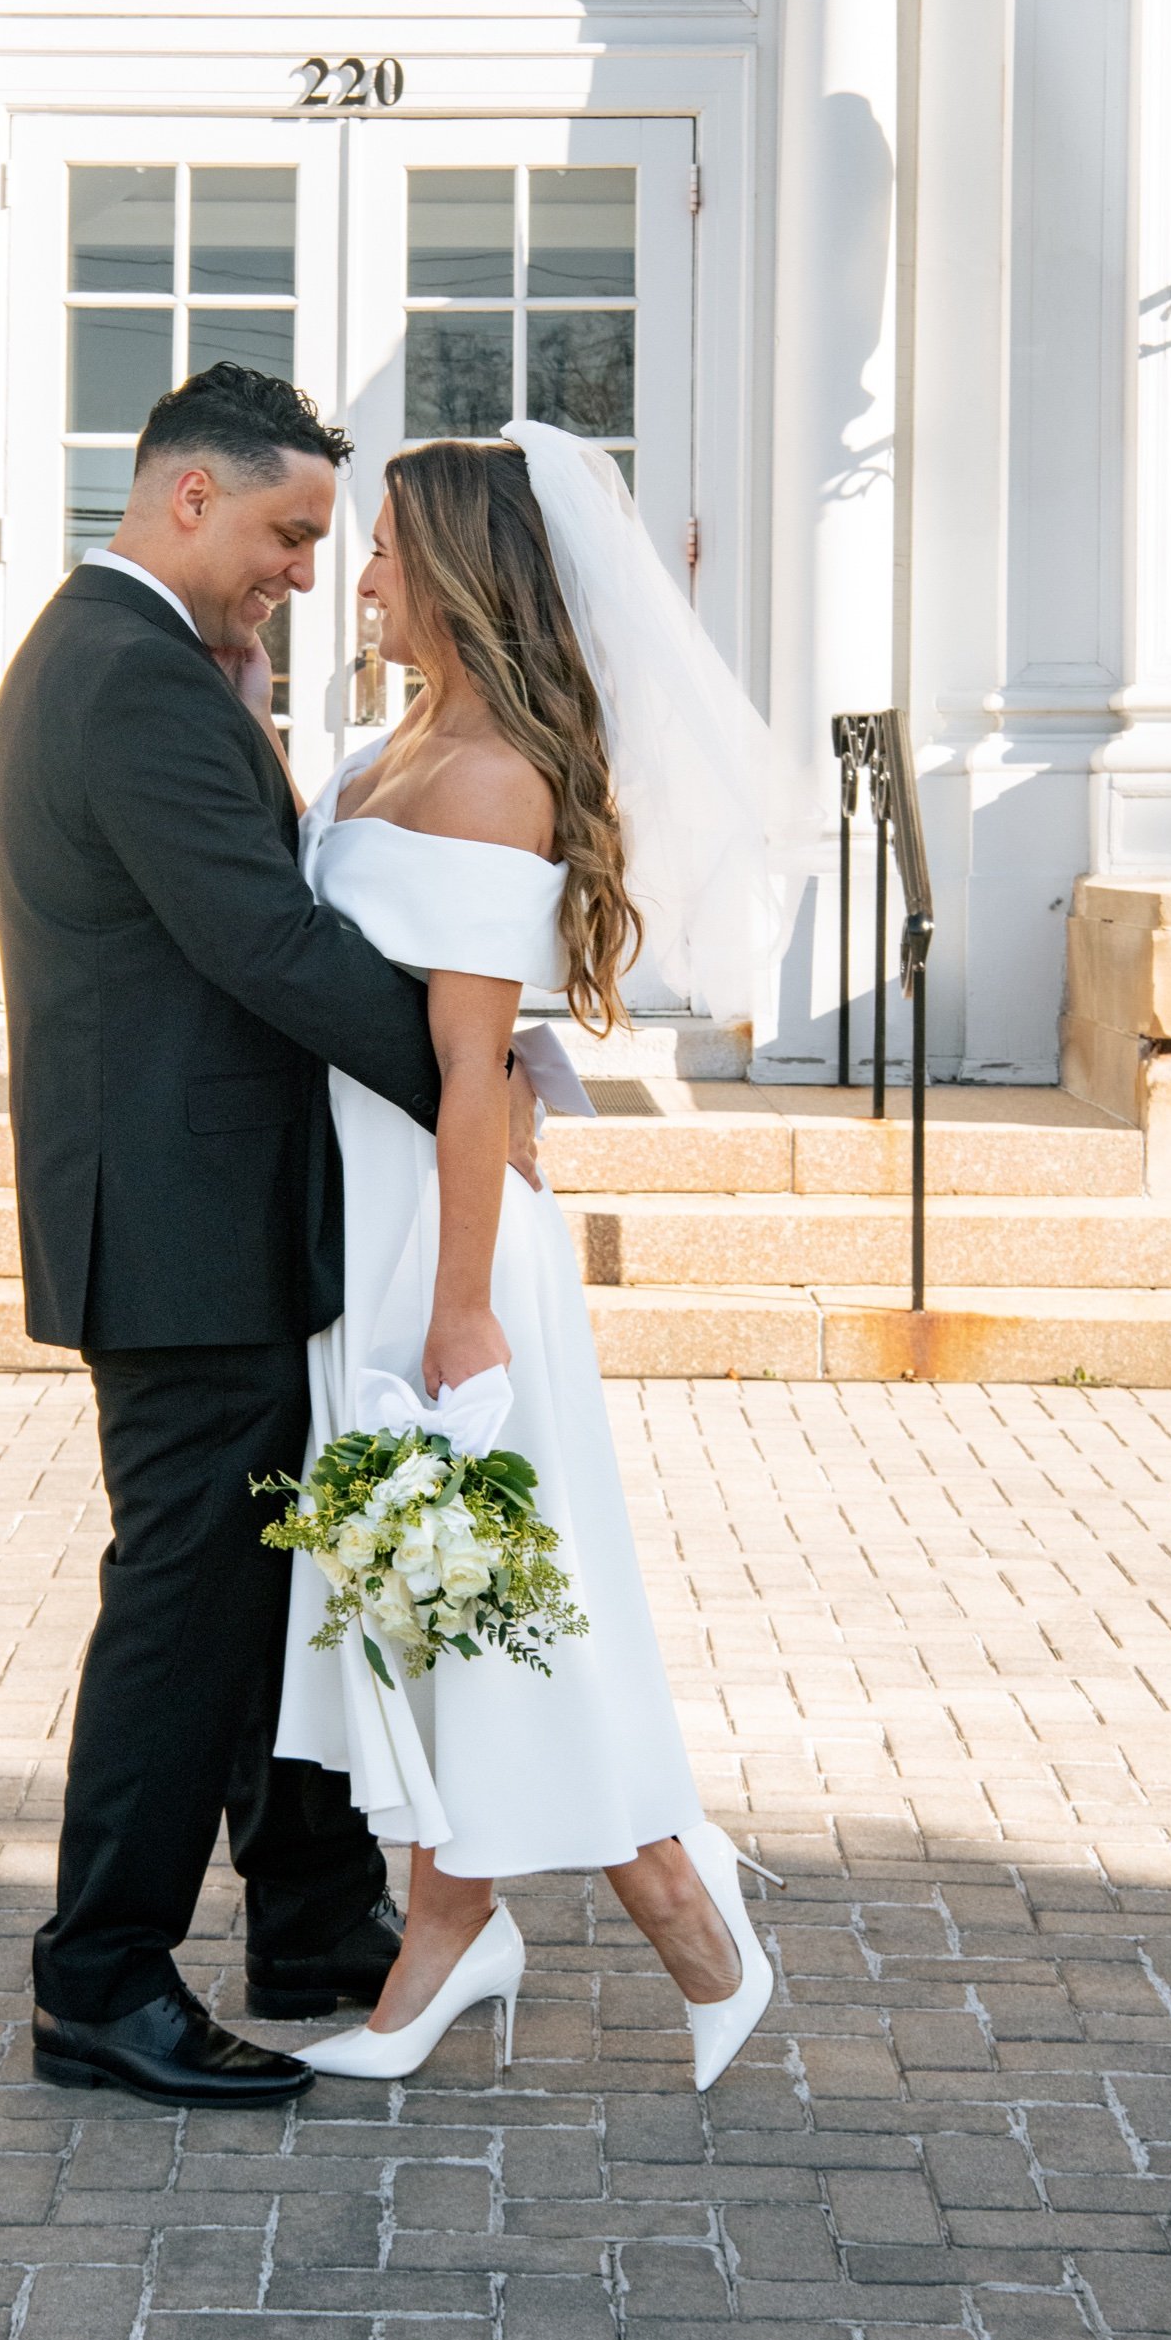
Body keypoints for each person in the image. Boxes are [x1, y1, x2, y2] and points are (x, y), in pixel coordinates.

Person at [0, 365, 539, 2111]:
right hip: (175, 1222)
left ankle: (310, 1918)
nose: (309, 565)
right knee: (184, 1609)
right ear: (190, 497)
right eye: (292, 531)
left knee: (270, 1584)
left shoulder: (149, 663)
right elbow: (262, 949)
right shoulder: (128, 681)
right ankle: (101, 1981)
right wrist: (475, 1083)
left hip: (207, 1208)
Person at [273, 430, 788, 2091]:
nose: (356, 580)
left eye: (383, 554)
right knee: (426, 1603)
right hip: (369, 1230)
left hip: (446, 1239)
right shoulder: (392, 744)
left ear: (458, 573)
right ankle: (451, 1936)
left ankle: (674, 1904)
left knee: (504, 1597)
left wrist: (462, 1308)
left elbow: (473, 1073)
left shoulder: (492, 776)